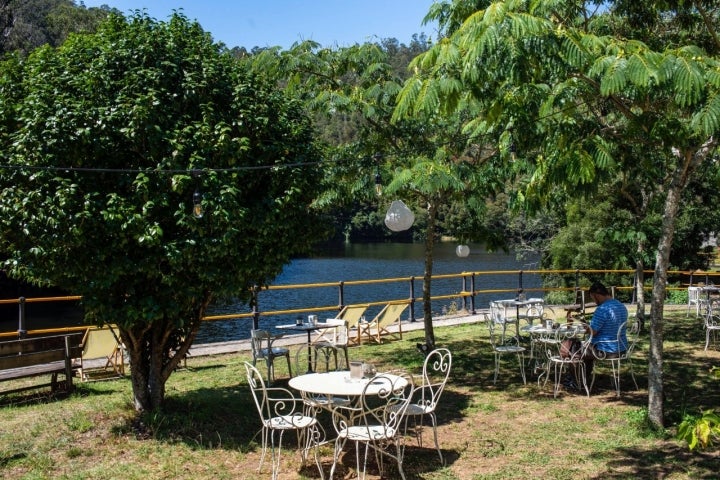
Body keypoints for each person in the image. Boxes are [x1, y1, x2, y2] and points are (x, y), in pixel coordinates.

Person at [584, 282, 628, 376]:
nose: (594, 302)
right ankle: (584, 377)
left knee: (574, 350)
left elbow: (593, 332)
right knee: (584, 349)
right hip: (622, 348)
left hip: (606, 351)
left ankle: (577, 381)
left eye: (593, 298)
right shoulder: (621, 305)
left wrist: (587, 328)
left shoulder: (602, 309)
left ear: (597, 295)